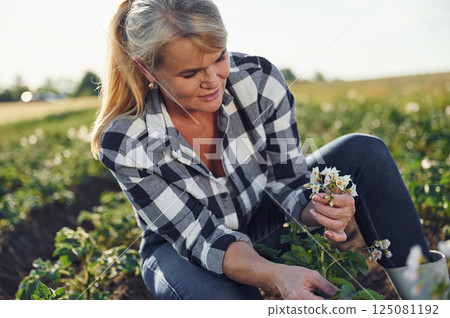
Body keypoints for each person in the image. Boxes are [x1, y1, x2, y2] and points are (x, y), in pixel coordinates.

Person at [91, 0, 445, 300]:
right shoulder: (126, 140)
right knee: (226, 300)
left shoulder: (258, 81)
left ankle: (431, 297)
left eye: (219, 57)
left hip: (263, 217)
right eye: (190, 73)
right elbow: (201, 238)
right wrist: (274, 274)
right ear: (146, 68)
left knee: (364, 152)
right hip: (181, 251)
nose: (214, 80)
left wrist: (318, 208)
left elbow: (288, 181)